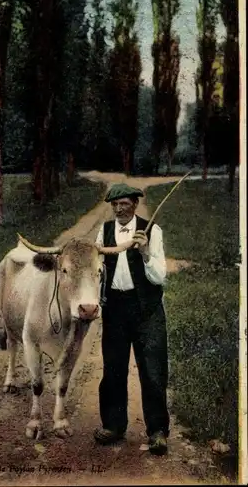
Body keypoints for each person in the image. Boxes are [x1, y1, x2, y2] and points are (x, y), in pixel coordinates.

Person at [94, 182, 169, 455]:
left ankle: (158, 431)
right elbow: (96, 271)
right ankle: (113, 426)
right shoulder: (103, 233)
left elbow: (160, 276)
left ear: (135, 204)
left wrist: (146, 253)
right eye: (114, 205)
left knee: (153, 370)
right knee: (113, 369)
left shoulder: (152, 230)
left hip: (147, 311)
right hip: (115, 308)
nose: (118, 209)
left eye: (124, 203)